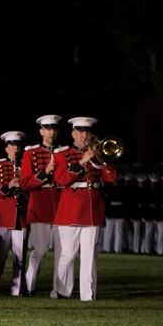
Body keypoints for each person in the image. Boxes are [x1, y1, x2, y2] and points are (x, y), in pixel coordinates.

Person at [52, 116, 117, 301]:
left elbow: (112, 177)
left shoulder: (98, 153)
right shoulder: (62, 154)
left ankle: (88, 295)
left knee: (89, 255)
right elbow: (61, 180)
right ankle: (63, 291)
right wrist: (82, 161)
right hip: (70, 208)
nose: (84, 135)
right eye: (80, 131)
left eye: (87, 132)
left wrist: (98, 159)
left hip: (93, 208)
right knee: (68, 253)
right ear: (73, 133)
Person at [19, 114, 64, 297]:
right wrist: (44, 174)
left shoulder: (64, 152)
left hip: (61, 203)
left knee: (63, 251)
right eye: (48, 129)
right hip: (40, 203)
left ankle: (59, 289)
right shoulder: (31, 153)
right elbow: (25, 183)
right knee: (41, 249)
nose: (51, 132)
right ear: (41, 131)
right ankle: (29, 285)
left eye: (54, 129)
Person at [0, 131, 28, 295]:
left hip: (21, 215)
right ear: (6, 147)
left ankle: (17, 290)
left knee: (21, 257)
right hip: (2, 215)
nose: (15, 148)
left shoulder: (26, 165)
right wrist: (8, 187)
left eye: (17, 145)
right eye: (12, 145)